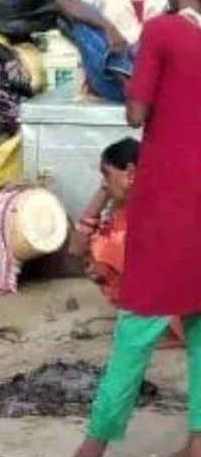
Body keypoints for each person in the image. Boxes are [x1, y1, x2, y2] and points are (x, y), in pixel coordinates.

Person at [60, 0, 201, 457]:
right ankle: (196, 450)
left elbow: (136, 113)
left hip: (172, 198)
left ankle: (90, 456)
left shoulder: (166, 31)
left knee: (137, 324)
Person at [70, 138, 184, 348]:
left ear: (131, 172)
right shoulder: (126, 207)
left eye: (106, 173)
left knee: (108, 252)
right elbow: (76, 248)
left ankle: (164, 330)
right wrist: (105, 191)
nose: (103, 182)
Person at [55, 0, 169, 101]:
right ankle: (124, 76)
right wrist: (108, 28)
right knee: (80, 23)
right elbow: (64, 2)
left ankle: (135, 82)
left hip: (149, 78)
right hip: (112, 83)